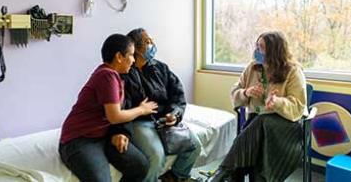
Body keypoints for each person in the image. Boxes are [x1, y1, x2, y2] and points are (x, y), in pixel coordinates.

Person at [208, 31, 307, 182]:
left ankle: (224, 173)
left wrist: (277, 102)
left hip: (285, 126)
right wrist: (246, 93)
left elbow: (299, 107)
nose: (256, 51)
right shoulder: (252, 68)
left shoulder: (293, 71)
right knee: (256, 139)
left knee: (258, 126)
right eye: (256, 46)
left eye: (261, 47)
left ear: (274, 51)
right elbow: (235, 92)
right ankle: (229, 175)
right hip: (257, 123)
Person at [59, 34, 158, 182]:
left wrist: (121, 133)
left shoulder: (115, 76)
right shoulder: (107, 76)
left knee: (140, 166)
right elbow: (115, 116)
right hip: (79, 139)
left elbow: (114, 116)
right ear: (119, 56)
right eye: (131, 55)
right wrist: (142, 110)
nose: (133, 59)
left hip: (102, 136)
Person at [120, 28, 201, 182]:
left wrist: (175, 115)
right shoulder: (125, 73)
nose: (152, 44)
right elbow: (122, 107)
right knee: (157, 157)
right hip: (141, 122)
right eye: (147, 42)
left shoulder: (160, 68)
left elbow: (177, 95)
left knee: (194, 146)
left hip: (165, 120)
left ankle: (174, 177)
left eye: (151, 40)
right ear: (136, 49)